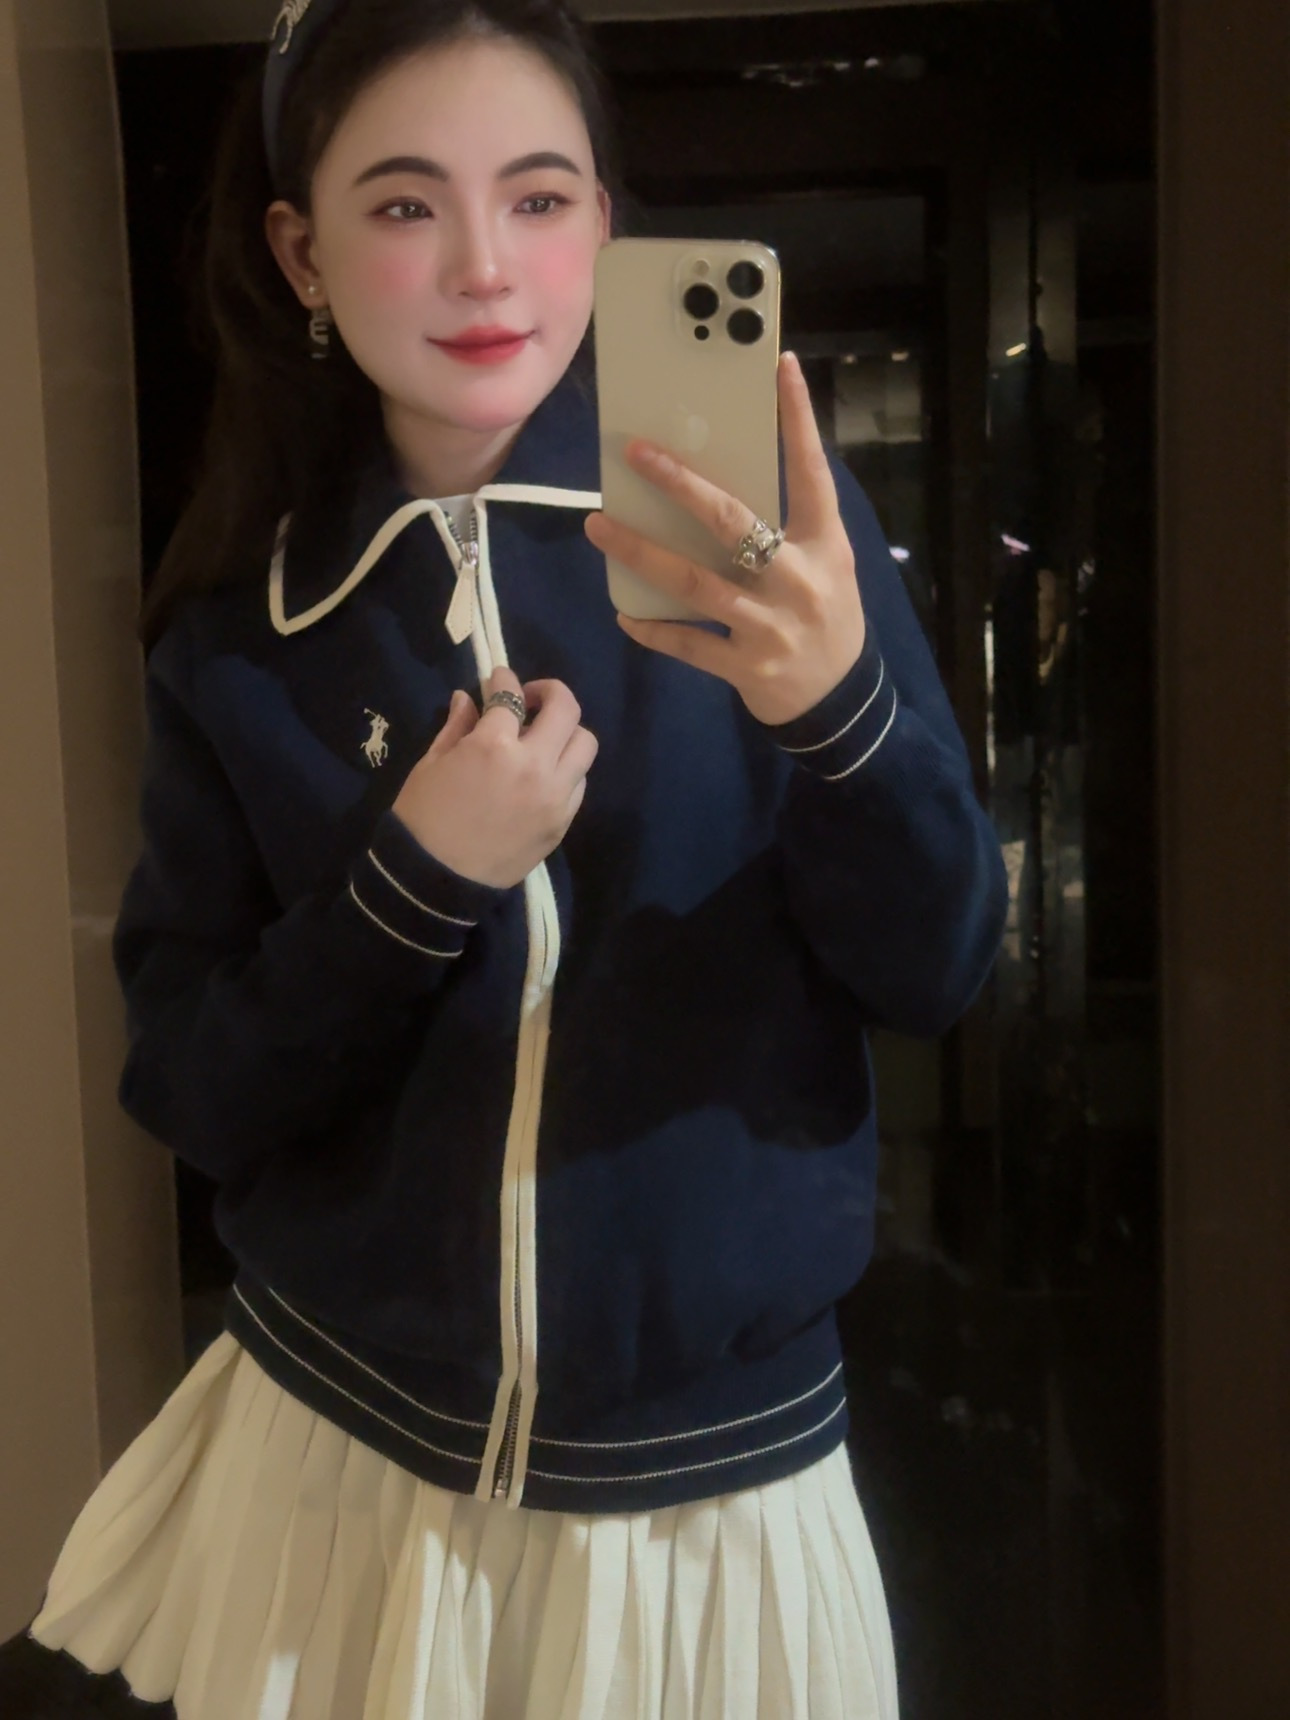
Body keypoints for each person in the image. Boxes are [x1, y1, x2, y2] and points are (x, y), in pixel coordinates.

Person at [11, 0, 1007, 1714]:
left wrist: (838, 716)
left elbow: (936, 968)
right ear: (301, 252)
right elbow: (196, 1089)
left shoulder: (772, 560)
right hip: (342, 1475)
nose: (483, 266)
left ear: (604, 229)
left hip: (710, 1501)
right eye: (405, 204)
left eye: (539, 199)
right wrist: (413, 882)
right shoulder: (242, 639)